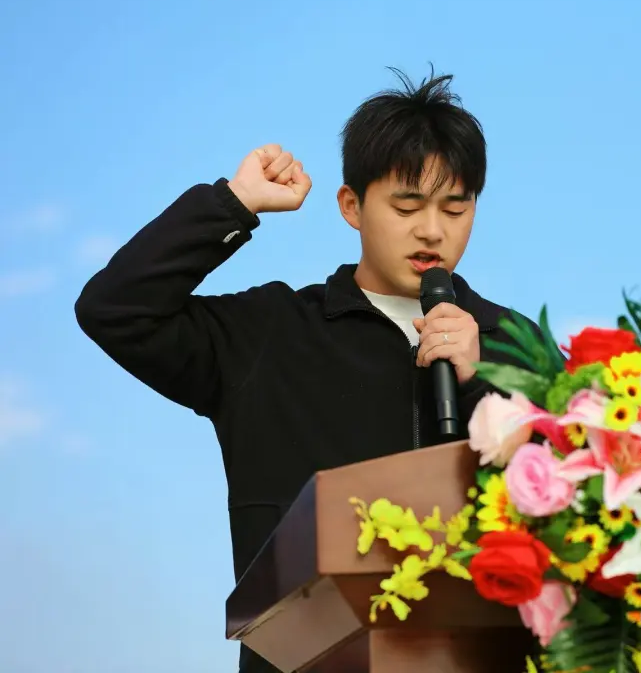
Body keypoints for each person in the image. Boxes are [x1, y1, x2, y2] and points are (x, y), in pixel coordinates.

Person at [74, 70, 537, 673]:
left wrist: (488, 381)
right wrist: (233, 204)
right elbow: (114, 310)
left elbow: (583, 513)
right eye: (406, 205)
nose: (432, 230)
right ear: (351, 206)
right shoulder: (271, 334)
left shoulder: (519, 348)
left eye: (455, 207)